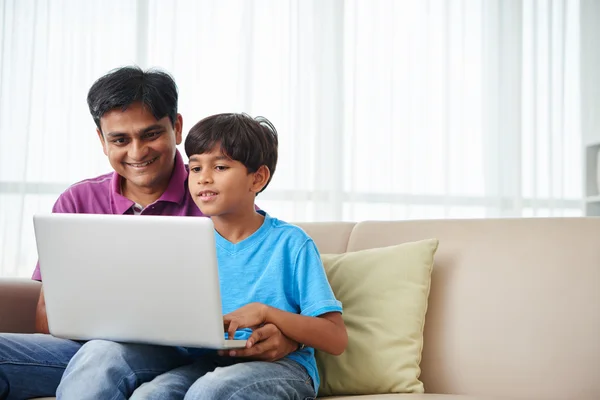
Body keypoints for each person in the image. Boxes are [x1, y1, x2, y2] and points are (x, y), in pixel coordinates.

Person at [0, 68, 298, 400]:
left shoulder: (214, 195)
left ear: (177, 127)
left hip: (186, 357)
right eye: (120, 139)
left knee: (103, 356)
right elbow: (47, 317)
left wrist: (288, 338)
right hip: (82, 354)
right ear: (101, 140)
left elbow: (258, 287)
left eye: (151, 134)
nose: (137, 152)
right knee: (92, 353)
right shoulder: (77, 201)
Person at [56, 113, 348, 400]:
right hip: (205, 364)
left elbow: (335, 338)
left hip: (283, 368)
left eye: (220, 167)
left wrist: (266, 313)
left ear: (257, 178)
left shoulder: (291, 243)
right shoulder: (187, 244)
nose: (203, 179)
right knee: (149, 395)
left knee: (211, 390)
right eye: (195, 169)